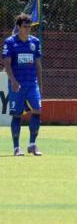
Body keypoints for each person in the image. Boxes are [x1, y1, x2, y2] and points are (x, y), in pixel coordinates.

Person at [2, 13, 43, 156]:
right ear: (18, 27)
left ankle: (32, 144)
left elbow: (38, 64)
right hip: (17, 85)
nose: (27, 29)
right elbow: (6, 63)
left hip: (32, 84)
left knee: (37, 110)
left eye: (29, 27)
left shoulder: (35, 42)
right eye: (24, 27)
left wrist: (40, 84)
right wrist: (13, 80)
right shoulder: (10, 42)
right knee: (17, 115)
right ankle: (16, 147)